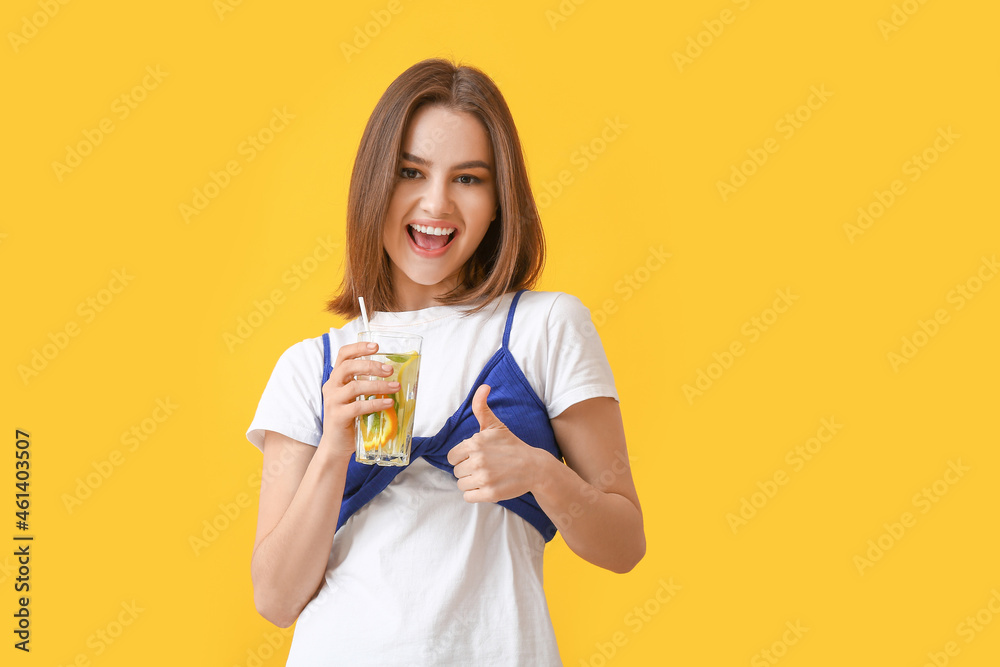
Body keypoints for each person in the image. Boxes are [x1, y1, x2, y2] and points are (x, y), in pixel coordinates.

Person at [246, 58, 644, 666]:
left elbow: (624, 544)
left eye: (468, 179)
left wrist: (542, 473)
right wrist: (333, 448)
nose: (437, 203)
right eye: (411, 172)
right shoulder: (310, 367)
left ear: (498, 202)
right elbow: (274, 599)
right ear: (374, 184)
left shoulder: (545, 327)